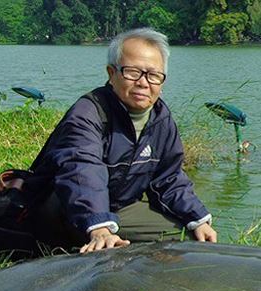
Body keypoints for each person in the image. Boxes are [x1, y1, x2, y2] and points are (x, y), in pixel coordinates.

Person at [19, 28, 216, 255]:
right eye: (133, 72)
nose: (143, 83)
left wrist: (197, 218)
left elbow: (169, 178)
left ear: (162, 82)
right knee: (94, 232)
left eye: (153, 75)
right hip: (63, 207)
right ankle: (76, 244)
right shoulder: (88, 113)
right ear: (112, 73)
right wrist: (99, 226)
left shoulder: (161, 118)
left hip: (116, 207)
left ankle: (107, 239)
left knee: (184, 234)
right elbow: (82, 169)